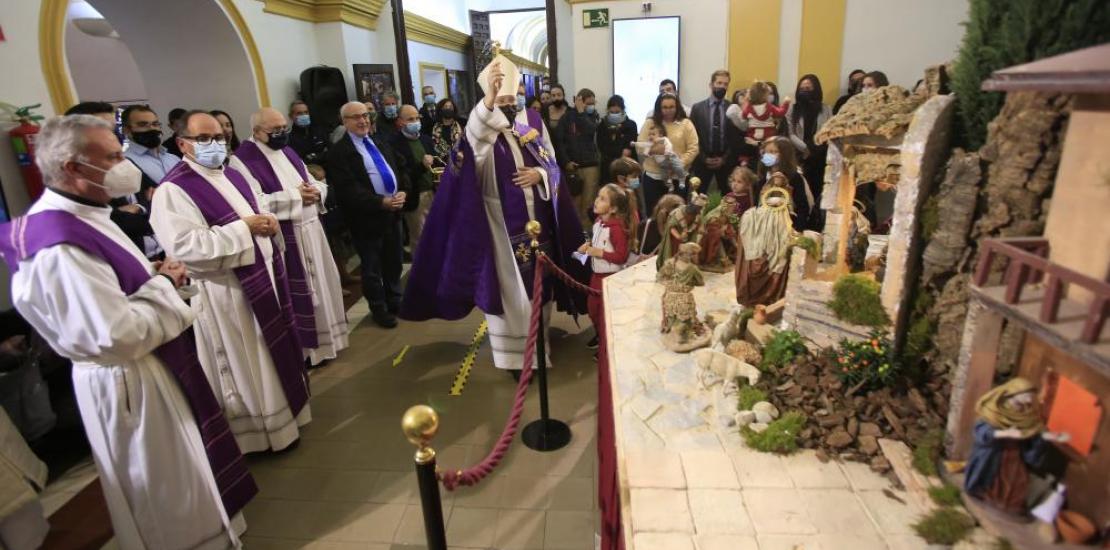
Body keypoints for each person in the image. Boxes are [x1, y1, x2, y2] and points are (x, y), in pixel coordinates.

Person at [2, 114, 256, 548]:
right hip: (127, 379)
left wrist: (151, 277)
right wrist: (165, 286)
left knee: (183, 475)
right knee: (164, 486)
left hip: (147, 365)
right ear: (73, 167)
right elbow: (114, 335)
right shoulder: (58, 244)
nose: (126, 166)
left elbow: (114, 292)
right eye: (113, 157)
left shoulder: (85, 214)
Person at [401, 54, 586, 378]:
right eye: (501, 99)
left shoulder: (532, 121)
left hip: (538, 221)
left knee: (539, 289)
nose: (509, 104)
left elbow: (552, 164)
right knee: (512, 295)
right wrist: (488, 101)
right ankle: (517, 359)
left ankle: (539, 344)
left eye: (513, 97)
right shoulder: (483, 131)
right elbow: (473, 142)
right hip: (500, 226)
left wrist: (540, 176)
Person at [150, 111, 312, 452]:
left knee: (271, 354)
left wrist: (267, 221)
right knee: (249, 364)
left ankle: (288, 417)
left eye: (220, 138)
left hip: (262, 279)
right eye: (203, 139)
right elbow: (185, 247)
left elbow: (260, 208)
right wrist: (245, 228)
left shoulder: (232, 175)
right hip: (225, 292)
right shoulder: (173, 190)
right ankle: (261, 434)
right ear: (183, 144)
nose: (215, 144)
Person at [230, 107, 349, 367]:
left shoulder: (288, 151)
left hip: (312, 231)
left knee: (323, 286)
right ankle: (307, 351)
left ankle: (329, 342)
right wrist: (296, 197)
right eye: (275, 130)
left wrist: (316, 191)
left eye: (284, 128)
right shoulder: (242, 160)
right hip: (288, 237)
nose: (282, 133)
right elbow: (252, 202)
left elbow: (312, 180)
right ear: (256, 131)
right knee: (301, 293)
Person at [326, 102, 410, 328]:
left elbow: (399, 167)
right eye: (356, 117)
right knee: (372, 268)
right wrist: (380, 202)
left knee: (394, 261)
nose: (363, 120)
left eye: (365, 115)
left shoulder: (379, 141)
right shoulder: (338, 153)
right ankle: (379, 308)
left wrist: (403, 190)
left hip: (393, 212)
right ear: (344, 122)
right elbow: (348, 189)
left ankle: (395, 299)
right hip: (366, 219)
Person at [581, 183, 634, 353]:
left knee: (605, 314)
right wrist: (588, 246)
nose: (596, 201)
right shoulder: (598, 222)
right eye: (598, 196)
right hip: (596, 275)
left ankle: (607, 345)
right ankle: (601, 335)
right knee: (593, 310)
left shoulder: (617, 229)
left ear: (613, 209)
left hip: (610, 278)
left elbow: (621, 257)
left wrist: (598, 252)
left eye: (602, 199)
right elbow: (598, 241)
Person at [121, 105, 179, 258]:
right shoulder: (125, 164)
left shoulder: (173, 158)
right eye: (143, 125)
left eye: (155, 124)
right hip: (160, 242)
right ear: (127, 130)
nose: (151, 129)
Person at [637, 93, 699, 216]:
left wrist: (677, 165)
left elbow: (694, 148)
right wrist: (656, 150)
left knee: (677, 216)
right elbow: (639, 146)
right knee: (654, 214)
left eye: (671, 107)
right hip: (654, 177)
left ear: (677, 107)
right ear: (659, 108)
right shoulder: (650, 123)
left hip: (678, 178)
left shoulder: (686, 123)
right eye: (664, 107)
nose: (668, 110)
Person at [735, 184, 795, 307]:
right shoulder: (755, 215)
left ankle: (762, 298)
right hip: (764, 253)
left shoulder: (753, 214)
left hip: (764, 252)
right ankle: (767, 297)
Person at [785, 74, 831, 228]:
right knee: (802, 192)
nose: (805, 90)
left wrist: (814, 148)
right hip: (799, 155)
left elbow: (828, 131)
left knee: (817, 191)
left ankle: (815, 226)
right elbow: (790, 133)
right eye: (802, 88)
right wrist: (805, 148)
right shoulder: (793, 109)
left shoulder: (826, 109)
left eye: (808, 88)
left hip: (819, 155)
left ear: (816, 89)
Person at [393, 104, 437, 257]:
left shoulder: (425, 139)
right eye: (410, 119)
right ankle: (421, 269)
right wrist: (422, 166)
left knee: (437, 234)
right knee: (419, 239)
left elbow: (436, 161)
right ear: (400, 122)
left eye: (417, 118)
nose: (415, 122)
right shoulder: (394, 143)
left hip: (434, 192)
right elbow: (401, 174)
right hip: (415, 196)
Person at [690, 70, 739, 194]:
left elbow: (735, 138)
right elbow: (693, 137)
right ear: (711, 85)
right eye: (719, 83)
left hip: (726, 162)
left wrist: (724, 158)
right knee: (698, 197)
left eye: (725, 84)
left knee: (729, 197)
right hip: (702, 161)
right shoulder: (697, 108)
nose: (722, 86)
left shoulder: (733, 108)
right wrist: (704, 158)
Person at [564, 88, 603, 227]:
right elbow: (561, 141)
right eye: (588, 103)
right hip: (574, 166)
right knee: (575, 203)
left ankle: (587, 232)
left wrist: (581, 113)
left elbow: (590, 130)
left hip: (591, 165)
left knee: (589, 202)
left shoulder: (594, 116)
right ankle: (576, 233)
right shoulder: (568, 116)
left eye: (593, 103)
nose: (591, 106)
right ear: (580, 102)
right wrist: (566, 161)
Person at [755, 136, 811, 232]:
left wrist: (797, 230)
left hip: (789, 227)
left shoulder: (794, 178)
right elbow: (757, 204)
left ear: (785, 155)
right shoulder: (762, 179)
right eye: (766, 152)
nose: (768, 155)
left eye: (773, 152)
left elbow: (803, 208)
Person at [596, 95, 638, 189]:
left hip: (628, 169)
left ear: (623, 110)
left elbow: (628, 149)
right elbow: (602, 147)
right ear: (608, 110)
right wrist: (618, 151)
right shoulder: (602, 125)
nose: (614, 114)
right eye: (612, 112)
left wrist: (618, 151)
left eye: (617, 112)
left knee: (630, 194)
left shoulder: (631, 125)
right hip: (608, 168)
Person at [288, 100, 330, 167]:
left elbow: (332, 152)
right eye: (299, 113)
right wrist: (319, 155)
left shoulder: (319, 131)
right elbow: (298, 161)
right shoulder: (289, 139)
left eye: (306, 112)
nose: (304, 115)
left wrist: (312, 157)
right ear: (291, 116)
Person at [430, 98, 463, 167]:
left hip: (460, 162)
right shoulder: (434, 127)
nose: (448, 109)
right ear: (440, 110)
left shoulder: (462, 124)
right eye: (445, 107)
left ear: (454, 109)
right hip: (440, 164)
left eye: (450, 107)